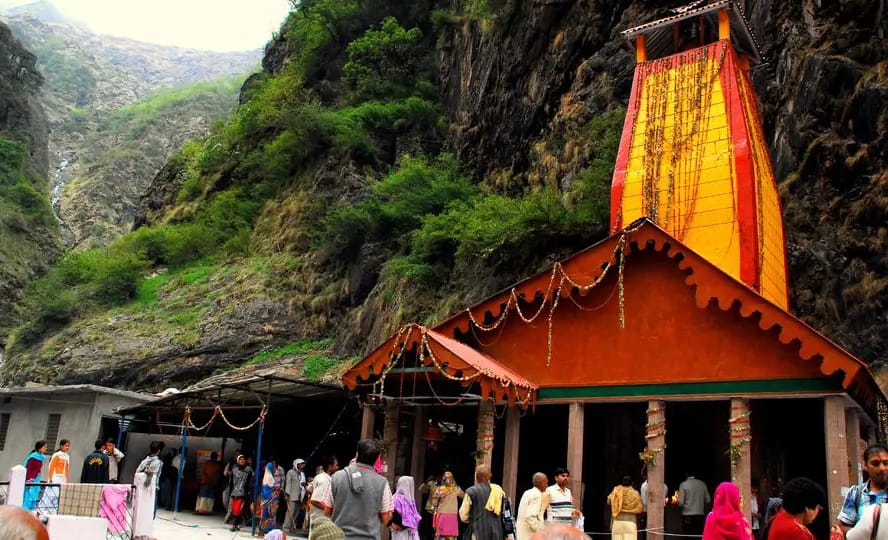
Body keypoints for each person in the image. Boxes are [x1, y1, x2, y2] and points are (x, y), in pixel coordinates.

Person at [321, 438, 394, 540]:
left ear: (357, 454)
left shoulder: (337, 477)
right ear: (377, 458)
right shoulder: (382, 483)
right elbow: (386, 518)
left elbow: (327, 511)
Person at [837, 445, 888, 533]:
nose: (882, 468)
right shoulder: (855, 493)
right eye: (875, 464)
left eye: (886, 463)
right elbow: (843, 526)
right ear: (865, 465)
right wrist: (861, 534)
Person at [459, 464, 505, 540]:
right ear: (490, 476)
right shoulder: (499, 491)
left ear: (476, 477)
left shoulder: (471, 491)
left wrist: (474, 519)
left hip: (478, 532)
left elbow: (463, 515)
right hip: (496, 533)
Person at [432, 471, 464, 540]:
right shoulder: (456, 489)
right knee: (451, 535)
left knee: (441, 535)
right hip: (452, 515)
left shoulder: (439, 489)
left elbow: (434, 503)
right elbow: (463, 496)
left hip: (442, 514)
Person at [518, 473, 550, 540]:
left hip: (521, 534)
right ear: (541, 483)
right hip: (530, 536)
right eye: (546, 483)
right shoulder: (537, 495)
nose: (547, 485)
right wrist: (541, 531)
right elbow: (530, 517)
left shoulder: (528, 492)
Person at [311, 456, 340, 527]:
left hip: (317, 515)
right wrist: (328, 509)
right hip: (320, 515)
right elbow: (314, 500)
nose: (338, 467)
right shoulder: (325, 480)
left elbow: (309, 489)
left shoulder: (319, 476)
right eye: (336, 465)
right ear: (330, 466)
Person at [679, 472, 711, 536]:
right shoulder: (702, 484)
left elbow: (680, 503)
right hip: (700, 514)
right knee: (698, 535)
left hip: (687, 515)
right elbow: (708, 500)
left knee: (688, 535)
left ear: (686, 475)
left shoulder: (683, 484)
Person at [390, 476, 422, 540]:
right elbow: (392, 515)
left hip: (409, 532)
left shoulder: (410, 501)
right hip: (400, 532)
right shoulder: (396, 498)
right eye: (409, 485)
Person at [229, 454, 253, 532]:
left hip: (243, 493)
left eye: (244, 459)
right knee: (235, 510)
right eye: (241, 459)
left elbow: (252, 476)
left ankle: (235, 525)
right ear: (238, 461)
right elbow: (241, 475)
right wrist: (249, 466)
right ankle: (236, 525)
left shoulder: (248, 469)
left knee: (239, 510)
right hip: (235, 492)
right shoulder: (235, 468)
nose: (243, 460)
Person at [260, 456, 285, 533]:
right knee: (265, 514)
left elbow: (279, 484)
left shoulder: (277, 471)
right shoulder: (268, 475)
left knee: (273, 514)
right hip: (267, 498)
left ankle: (270, 530)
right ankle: (263, 530)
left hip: (274, 498)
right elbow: (268, 486)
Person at [23, 440, 47, 510]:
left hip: (36, 478)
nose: (46, 448)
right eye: (44, 447)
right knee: (28, 496)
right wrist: (29, 480)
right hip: (31, 479)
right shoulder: (33, 457)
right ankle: (25, 511)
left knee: (34, 494)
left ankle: (30, 512)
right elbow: (29, 469)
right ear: (40, 448)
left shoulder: (40, 457)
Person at [285, 458, 306, 532]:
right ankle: (286, 527)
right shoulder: (290, 472)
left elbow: (302, 484)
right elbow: (288, 483)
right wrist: (287, 494)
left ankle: (292, 527)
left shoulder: (301, 474)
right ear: (296, 464)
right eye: (300, 464)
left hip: (300, 496)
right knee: (290, 512)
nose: (302, 466)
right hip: (292, 495)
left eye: (302, 464)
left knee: (296, 512)